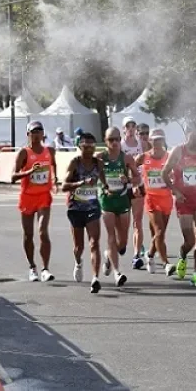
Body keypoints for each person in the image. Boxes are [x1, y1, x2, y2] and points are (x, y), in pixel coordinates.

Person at [162, 121, 196, 287]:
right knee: (189, 241)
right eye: (193, 134)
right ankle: (182, 255)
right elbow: (164, 173)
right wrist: (175, 191)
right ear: (187, 133)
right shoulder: (178, 151)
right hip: (183, 200)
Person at [62, 132, 110, 294]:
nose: (89, 150)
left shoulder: (99, 164)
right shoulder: (75, 163)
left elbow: (103, 179)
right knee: (79, 247)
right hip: (75, 208)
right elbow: (64, 186)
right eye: (85, 146)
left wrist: (107, 188)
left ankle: (95, 278)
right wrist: (82, 182)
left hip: (92, 208)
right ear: (79, 146)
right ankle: (78, 262)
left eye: (91, 146)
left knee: (94, 242)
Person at [11, 121, 58, 283]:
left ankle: (45, 269)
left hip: (44, 196)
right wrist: (30, 171)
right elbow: (13, 177)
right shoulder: (24, 153)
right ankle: (32, 267)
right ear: (28, 134)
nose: (37, 134)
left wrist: (55, 179)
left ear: (43, 134)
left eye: (39, 131)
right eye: (33, 132)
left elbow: (54, 164)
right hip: (27, 197)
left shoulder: (49, 151)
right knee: (28, 235)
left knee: (43, 232)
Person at [98, 126, 140, 287]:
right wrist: (102, 186)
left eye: (116, 139)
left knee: (122, 241)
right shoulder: (100, 157)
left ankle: (109, 255)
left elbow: (138, 178)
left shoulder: (127, 158)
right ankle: (117, 273)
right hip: (107, 200)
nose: (114, 142)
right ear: (105, 140)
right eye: (110, 140)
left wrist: (128, 180)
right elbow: (92, 174)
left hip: (122, 201)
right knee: (110, 235)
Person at [135, 129, 176, 277]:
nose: (157, 142)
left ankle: (150, 255)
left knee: (160, 234)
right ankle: (166, 263)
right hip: (151, 198)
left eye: (160, 139)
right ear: (150, 141)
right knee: (159, 231)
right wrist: (135, 184)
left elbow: (177, 173)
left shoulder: (169, 156)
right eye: (155, 140)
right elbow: (131, 168)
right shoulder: (143, 157)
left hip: (166, 199)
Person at [120, 116, 147, 269]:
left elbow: (151, 159)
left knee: (138, 222)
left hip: (138, 186)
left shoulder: (142, 144)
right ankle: (117, 247)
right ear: (124, 129)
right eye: (127, 126)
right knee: (123, 224)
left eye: (133, 126)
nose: (130, 128)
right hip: (124, 187)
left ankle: (136, 255)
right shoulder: (120, 144)